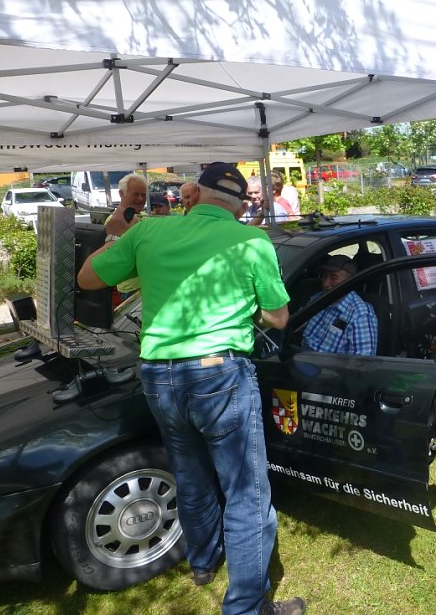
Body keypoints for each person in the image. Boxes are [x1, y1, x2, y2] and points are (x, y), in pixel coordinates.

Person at [77, 162, 304, 615]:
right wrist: (252, 312)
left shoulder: (149, 233)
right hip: (219, 374)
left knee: (191, 475)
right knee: (246, 493)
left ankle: (202, 561)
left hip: (159, 375)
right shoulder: (251, 240)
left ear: (194, 195)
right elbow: (278, 317)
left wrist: (113, 233)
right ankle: (246, 607)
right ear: (241, 207)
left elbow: (87, 278)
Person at [303, 255, 378, 356]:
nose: (325, 283)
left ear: (350, 282)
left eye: (333, 278)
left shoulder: (360, 315)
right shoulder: (317, 299)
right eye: (324, 276)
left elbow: (362, 364)